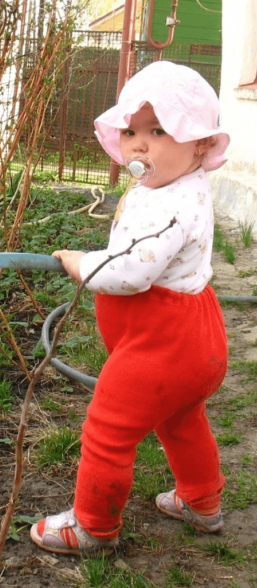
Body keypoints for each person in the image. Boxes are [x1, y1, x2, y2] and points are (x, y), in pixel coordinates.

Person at [30, 61, 231, 555]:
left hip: (162, 345)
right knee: (182, 422)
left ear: (200, 143)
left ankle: (94, 526)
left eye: (159, 130)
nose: (139, 144)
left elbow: (129, 273)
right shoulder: (173, 185)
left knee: (108, 429)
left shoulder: (169, 205)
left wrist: (80, 262)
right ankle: (201, 503)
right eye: (131, 130)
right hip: (193, 339)